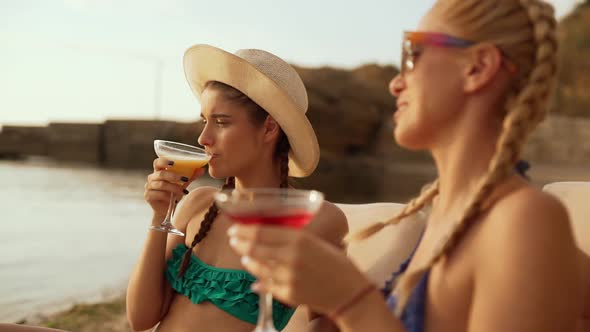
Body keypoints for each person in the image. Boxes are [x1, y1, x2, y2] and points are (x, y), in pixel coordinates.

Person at [227, 0, 584, 331]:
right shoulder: (450, 211)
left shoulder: (524, 220)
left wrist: (350, 300)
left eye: (413, 53)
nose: (395, 83)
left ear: (478, 67)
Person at [125, 45, 348, 332]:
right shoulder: (198, 203)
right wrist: (159, 216)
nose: (204, 138)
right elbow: (141, 319)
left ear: (269, 129)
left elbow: (329, 322)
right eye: (205, 121)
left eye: (221, 122)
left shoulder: (316, 218)